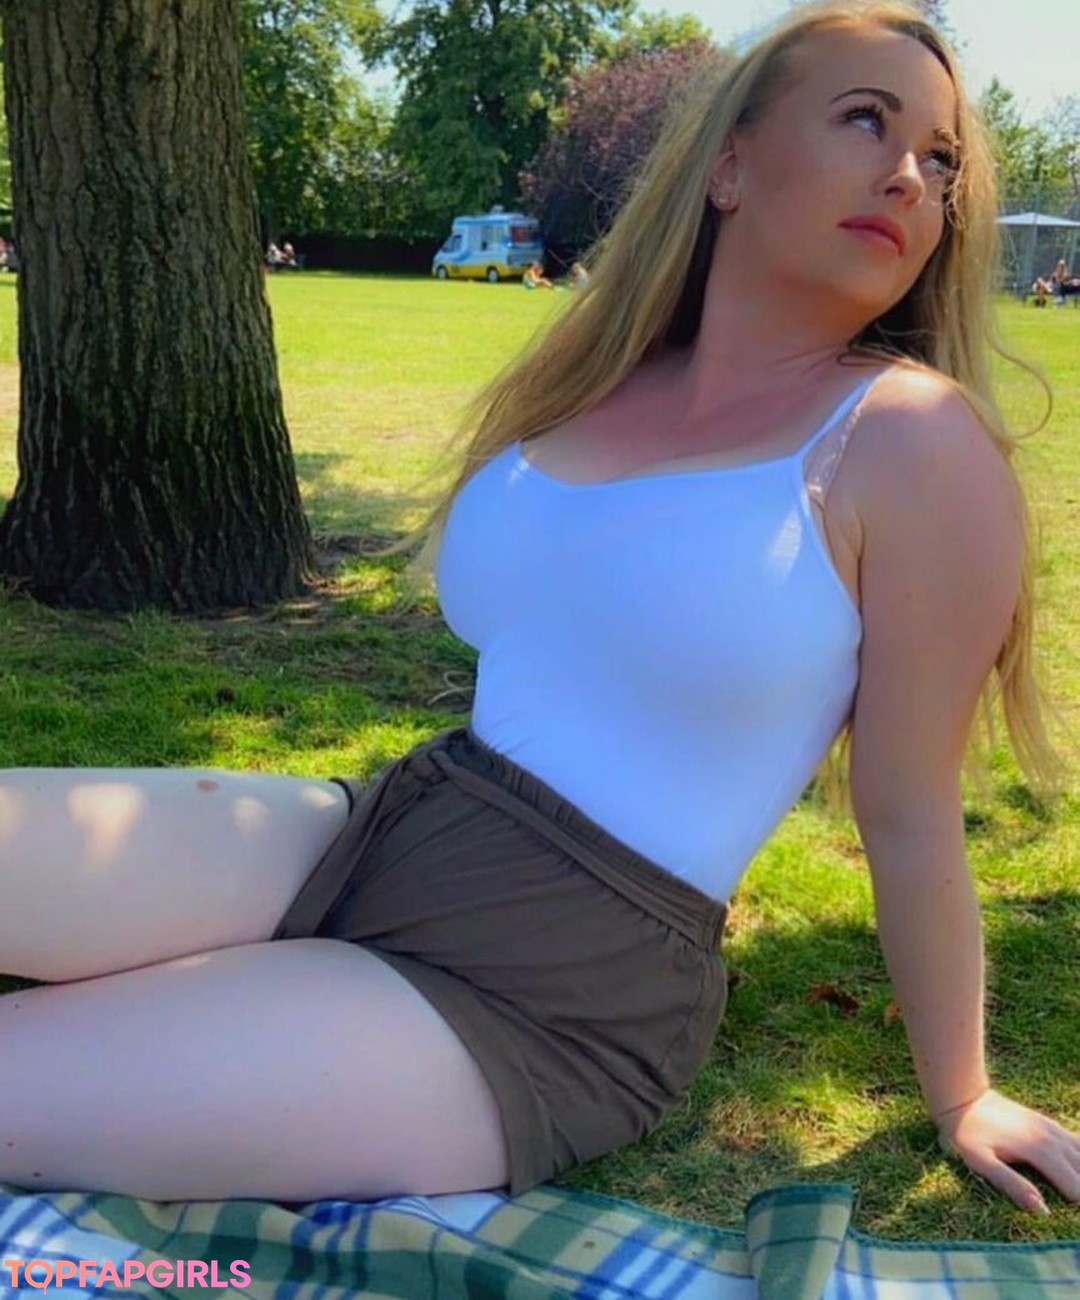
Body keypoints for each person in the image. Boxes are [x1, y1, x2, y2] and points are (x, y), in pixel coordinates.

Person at [1, 0, 1077, 1215]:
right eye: (866, 121)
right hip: (394, 821)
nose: (909, 176)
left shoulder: (914, 442)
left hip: (557, 983)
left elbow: (911, 807)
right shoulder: (597, 378)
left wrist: (963, 1092)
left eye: (942, 159)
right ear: (728, 166)